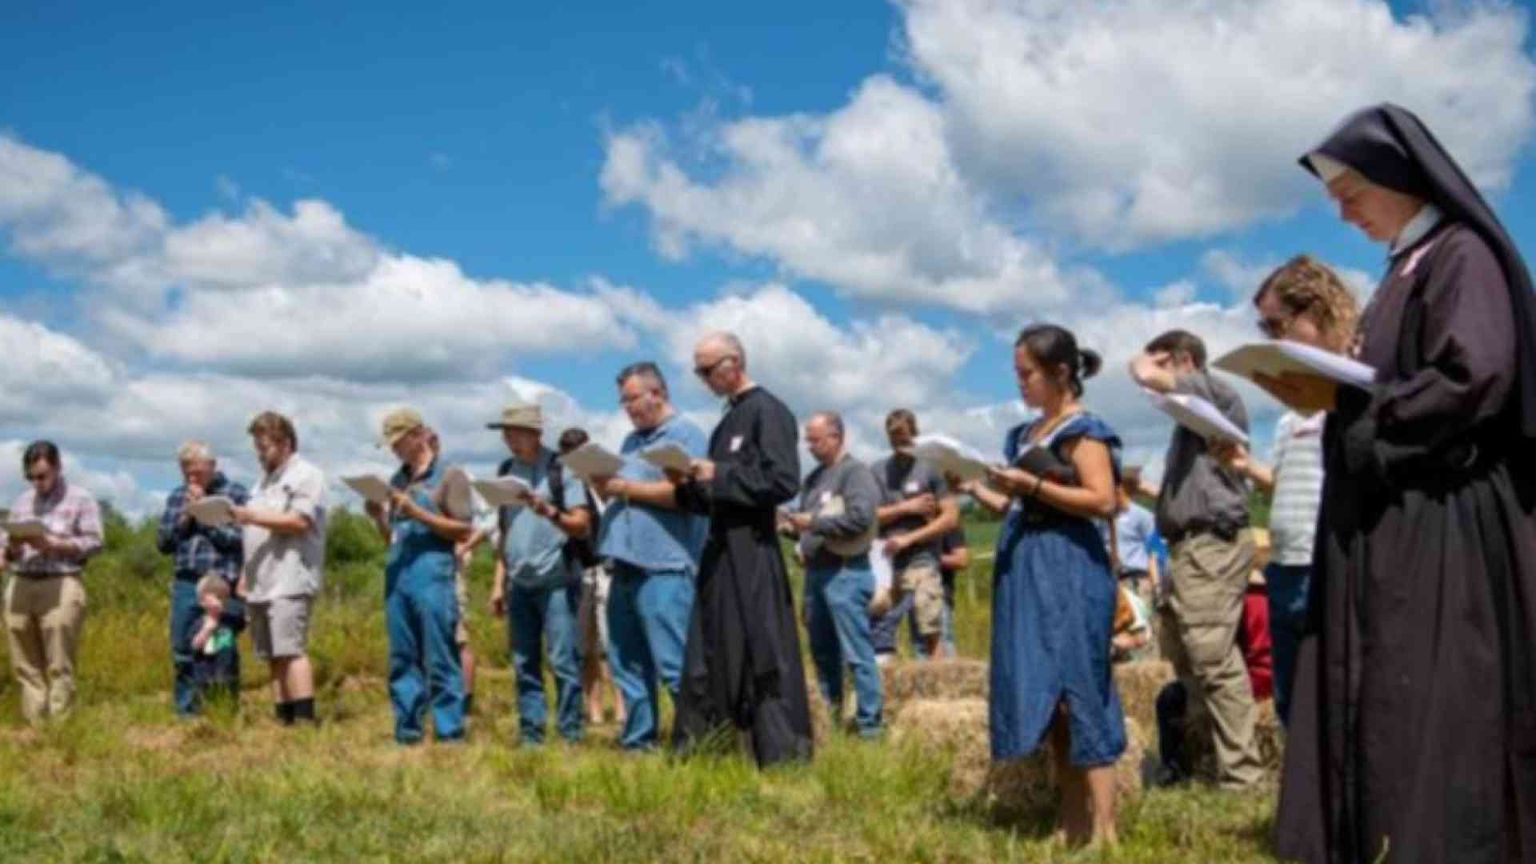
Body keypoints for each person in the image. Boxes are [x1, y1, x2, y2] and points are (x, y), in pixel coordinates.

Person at [1274, 104, 1536, 863]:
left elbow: (1474, 375)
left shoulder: (1462, 255)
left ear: (1398, 176)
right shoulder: (1401, 270)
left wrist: (1366, 408)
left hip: (1442, 520)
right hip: (1392, 513)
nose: (1341, 208)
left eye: (1350, 189)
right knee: (1388, 691)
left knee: (1431, 700)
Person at [960, 324, 1124, 846]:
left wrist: (1031, 483)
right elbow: (1016, 505)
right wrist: (979, 485)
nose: (1020, 383)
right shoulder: (1024, 434)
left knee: (1081, 691)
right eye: (1016, 373)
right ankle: (1070, 820)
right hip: (1025, 564)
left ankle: (1107, 831)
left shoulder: (1084, 430)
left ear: (1059, 373)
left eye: (1026, 373)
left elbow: (1102, 500)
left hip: (1069, 567)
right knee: (1049, 699)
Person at [1211, 254, 1357, 726]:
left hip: (1325, 561)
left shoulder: (1349, 398)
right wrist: (1244, 466)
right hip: (1285, 562)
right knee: (1290, 697)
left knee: (1334, 693)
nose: (1273, 339)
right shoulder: (1291, 416)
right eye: (1265, 329)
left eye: (1278, 325)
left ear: (1316, 311)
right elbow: (1289, 484)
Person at [669, 332, 813, 767]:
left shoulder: (768, 412)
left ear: (734, 363)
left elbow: (783, 481)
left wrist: (720, 473)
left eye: (707, 369)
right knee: (709, 650)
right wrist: (690, 486)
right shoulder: (725, 423)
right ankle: (707, 750)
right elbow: (719, 493)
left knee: (763, 652)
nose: (704, 379)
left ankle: (781, 755)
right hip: (719, 552)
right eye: (699, 371)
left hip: (753, 551)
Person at [1129, 330, 1264, 790]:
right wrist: (1148, 493)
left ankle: (1242, 776)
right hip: (1188, 546)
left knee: (1212, 657)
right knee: (1188, 661)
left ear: (1183, 360)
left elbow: (1142, 371)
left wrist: (1147, 361)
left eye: (1166, 364)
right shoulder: (1188, 421)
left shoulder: (1211, 392)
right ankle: (1206, 762)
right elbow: (1196, 491)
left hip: (1211, 543)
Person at [588, 362, 709, 751]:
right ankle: (639, 742)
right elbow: (629, 492)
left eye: (632, 399)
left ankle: (697, 743)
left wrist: (624, 486)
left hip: (664, 566)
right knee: (627, 663)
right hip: (622, 563)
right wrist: (603, 484)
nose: (627, 408)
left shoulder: (685, 435)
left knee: (674, 662)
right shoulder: (630, 442)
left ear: (657, 393)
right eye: (622, 401)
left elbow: (687, 497)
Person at [486, 402, 593, 746]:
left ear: (535, 433)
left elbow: (581, 524)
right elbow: (505, 530)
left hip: (557, 579)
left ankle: (570, 735)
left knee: (563, 661)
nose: (509, 440)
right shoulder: (505, 470)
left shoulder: (562, 469)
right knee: (523, 662)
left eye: (515, 433)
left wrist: (548, 510)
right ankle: (532, 735)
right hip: (519, 581)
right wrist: (498, 583)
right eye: (505, 433)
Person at [366, 408, 470, 744]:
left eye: (397, 442)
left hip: (433, 572)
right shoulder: (397, 481)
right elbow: (391, 537)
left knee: (440, 655)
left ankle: (449, 732)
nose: (394, 450)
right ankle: (407, 731)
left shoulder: (450, 475)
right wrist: (379, 517)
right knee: (402, 656)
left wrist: (418, 512)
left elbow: (462, 529)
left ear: (417, 435)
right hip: (398, 573)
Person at [785, 411, 884, 738]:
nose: (809, 446)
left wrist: (811, 523)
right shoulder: (813, 479)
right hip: (816, 573)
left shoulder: (856, 473)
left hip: (845, 573)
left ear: (837, 436)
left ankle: (870, 727)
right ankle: (832, 723)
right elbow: (808, 527)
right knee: (822, 652)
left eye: (816, 439)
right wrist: (789, 527)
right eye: (807, 440)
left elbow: (860, 518)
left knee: (856, 654)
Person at [233, 411, 326, 726]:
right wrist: (247, 573)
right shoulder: (261, 483)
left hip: (290, 576)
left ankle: (303, 719)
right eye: (257, 447)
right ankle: (282, 717)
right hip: (261, 579)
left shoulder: (306, 475)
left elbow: (299, 521)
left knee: (290, 650)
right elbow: (256, 534)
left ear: (285, 443)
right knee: (271, 653)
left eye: (265, 446)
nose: (260, 453)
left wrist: (248, 516)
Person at [0, 441, 102, 723]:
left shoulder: (81, 499)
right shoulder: (22, 501)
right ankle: (35, 724)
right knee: (24, 660)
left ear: (57, 467)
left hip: (61, 580)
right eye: (31, 477)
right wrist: (12, 547)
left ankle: (60, 727)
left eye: (42, 475)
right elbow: (5, 548)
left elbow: (94, 542)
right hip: (21, 580)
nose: (37, 482)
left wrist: (53, 544)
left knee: (59, 660)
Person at [156, 440, 249, 716]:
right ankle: (187, 712)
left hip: (221, 583)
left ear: (212, 466)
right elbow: (163, 543)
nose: (192, 478)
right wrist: (185, 518)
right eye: (186, 473)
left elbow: (242, 539)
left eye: (197, 472)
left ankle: (224, 708)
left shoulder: (234, 494)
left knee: (221, 646)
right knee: (184, 647)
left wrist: (207, 521)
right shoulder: (176, 497)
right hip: (187, 582)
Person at [870, 409, 957, 662]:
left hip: (921, 558)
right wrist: (906, 508)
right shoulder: (876, 471)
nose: (899, 444)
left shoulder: (930, 469)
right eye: (893, 439)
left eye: (904, 438)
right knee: (881, 627)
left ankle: (936, 690)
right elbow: (867, 516)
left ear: (914, 435)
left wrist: (911, 538)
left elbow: (950, 517)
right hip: (884, 561)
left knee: (928, 625)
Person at [555, 427, 622, 727]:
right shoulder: (565, 491)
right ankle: (593, 709)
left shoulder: (606, 484)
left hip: (610, 568)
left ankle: (622, 708)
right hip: (580, 570)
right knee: (585, 647)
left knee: (614, 644)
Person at [1099, 466, 1159, 606]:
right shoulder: (1102, 521)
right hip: (1114, 582)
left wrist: (1156, 585)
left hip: (1139, 579)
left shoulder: (1143, 516)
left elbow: (1153, 553)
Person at [188, 573, 243, 707]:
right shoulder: (199, 623)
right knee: (208, 704)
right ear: (202, 602)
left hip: (228, 673)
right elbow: (195, 646)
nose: (221, 602)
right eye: (216, 597)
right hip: (206, 675)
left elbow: (244, 621)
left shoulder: (229, 622)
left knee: (229, 703)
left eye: (224, 598)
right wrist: (207, 630)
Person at [934, 515, 969, 658]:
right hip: (907, 591)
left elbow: (962, 559)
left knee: (943, 641)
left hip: (939, 592)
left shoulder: (949, 522)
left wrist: (929, 557)